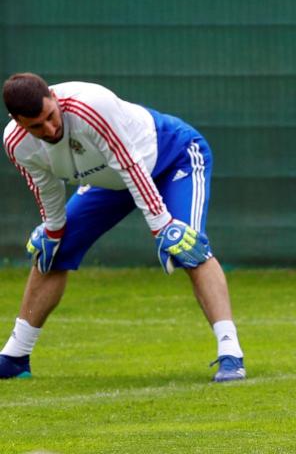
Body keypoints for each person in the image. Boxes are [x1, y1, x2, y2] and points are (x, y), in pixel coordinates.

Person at [1, 73, 245, 382]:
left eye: (50, 116)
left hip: (173, 157)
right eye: (36, 126)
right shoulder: (16, 143)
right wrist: (53, 229)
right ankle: (15, 357)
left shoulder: (90, 106)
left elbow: (131, 166)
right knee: (54, 250)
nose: (49, 129)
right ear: (18, 121)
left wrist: (162, 225)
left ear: (53, 96)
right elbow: (45, 187)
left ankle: (230, 354)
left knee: (188, 246)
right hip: (110, 180)